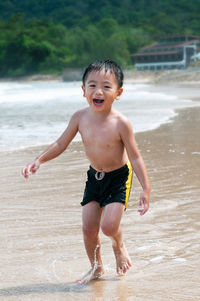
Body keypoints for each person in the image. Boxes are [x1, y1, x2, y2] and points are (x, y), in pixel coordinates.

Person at [22, 59, 150, 284]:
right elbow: (60, 144)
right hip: (94, 177)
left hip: (119, 177)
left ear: (118, 93)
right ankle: (96, 268)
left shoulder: (121, 123)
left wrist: (146, 189)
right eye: (92, 85)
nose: (98, 91)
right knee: (89, 229)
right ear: (83, 91)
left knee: (109, 227)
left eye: (106, 86)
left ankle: (118, 245)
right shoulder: (79, 118)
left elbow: (136, 157)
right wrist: (39, 160)